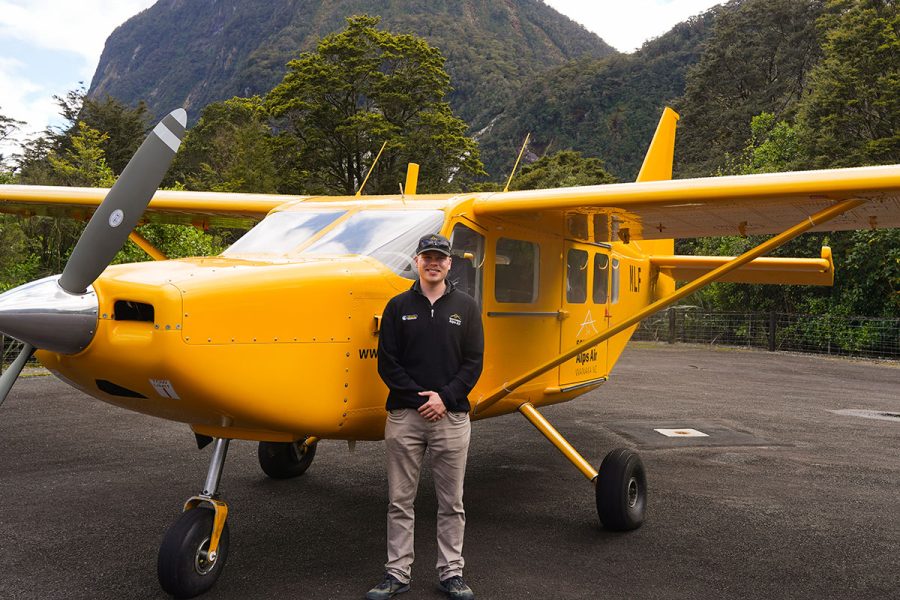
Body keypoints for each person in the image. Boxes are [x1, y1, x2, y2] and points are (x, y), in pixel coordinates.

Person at [366, 234, 484, 600]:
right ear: (416, 261)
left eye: (440, 258)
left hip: (450, 417)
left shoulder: (466, 307)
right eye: (427, 257)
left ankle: (452, 573)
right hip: (406, 415)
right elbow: (388, 362)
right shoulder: (397, 306)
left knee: (452, 503)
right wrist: (421, 399)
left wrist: (444, 398)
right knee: (400, 501)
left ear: (450, 264)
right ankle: (397, 573)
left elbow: (473, 361)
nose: (434, 263)